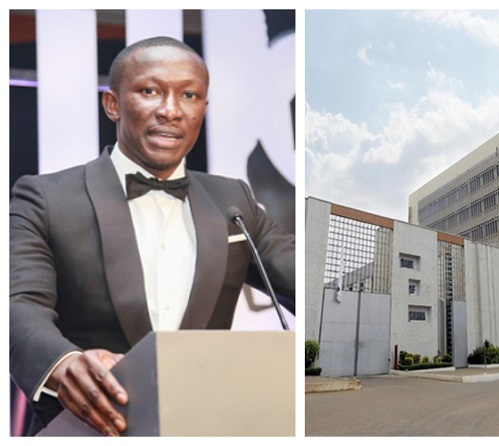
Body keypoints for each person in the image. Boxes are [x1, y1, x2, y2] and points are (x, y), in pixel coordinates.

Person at [9, 36, 295, 437]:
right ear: (113, 104)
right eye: (150, 91)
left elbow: (303, 276)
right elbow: (18, 304)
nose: (171, 110)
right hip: (85, 429)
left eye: (190, 95)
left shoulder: (234, 201)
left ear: (203, 109)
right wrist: (62, 363)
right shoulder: (45, 197)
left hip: (206, 428)